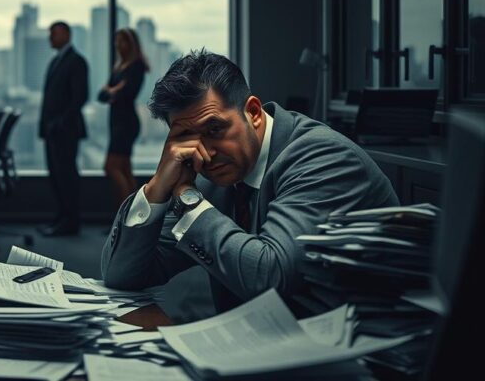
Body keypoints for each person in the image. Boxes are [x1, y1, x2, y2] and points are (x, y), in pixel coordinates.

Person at [101, 50, 399, 313]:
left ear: (253, 113)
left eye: (215, 129)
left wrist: (188, 197)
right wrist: (157, 187)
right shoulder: (211, 175)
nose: (206, 153)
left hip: (355, 359)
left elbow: (270, 276)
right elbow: (122, 275)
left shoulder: (323, 158)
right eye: (186, 137)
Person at [37, 21, 88, 236]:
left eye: (54, 34)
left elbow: (79, 98)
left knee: (66, 176)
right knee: (56, 175)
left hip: (65, 131)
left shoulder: (76, 62)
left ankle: (70, 221)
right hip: (52, 130)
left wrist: (59, 123)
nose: (50, 38)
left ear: (66, 35)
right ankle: (61, 217)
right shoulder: (56, 61)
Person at [98, 28, 149, 205]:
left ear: (131, 43)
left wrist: (113, 91)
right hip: (116, 122)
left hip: (126, 123)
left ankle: (126, 215)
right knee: (125, 169)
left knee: (110, 167)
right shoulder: (119, 67)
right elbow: (101, 96)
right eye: (116, 41)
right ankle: (134, 217)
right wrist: (114, 90)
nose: (118, 45)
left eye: (122, 41)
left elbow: (127, 93)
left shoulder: (136, 66)